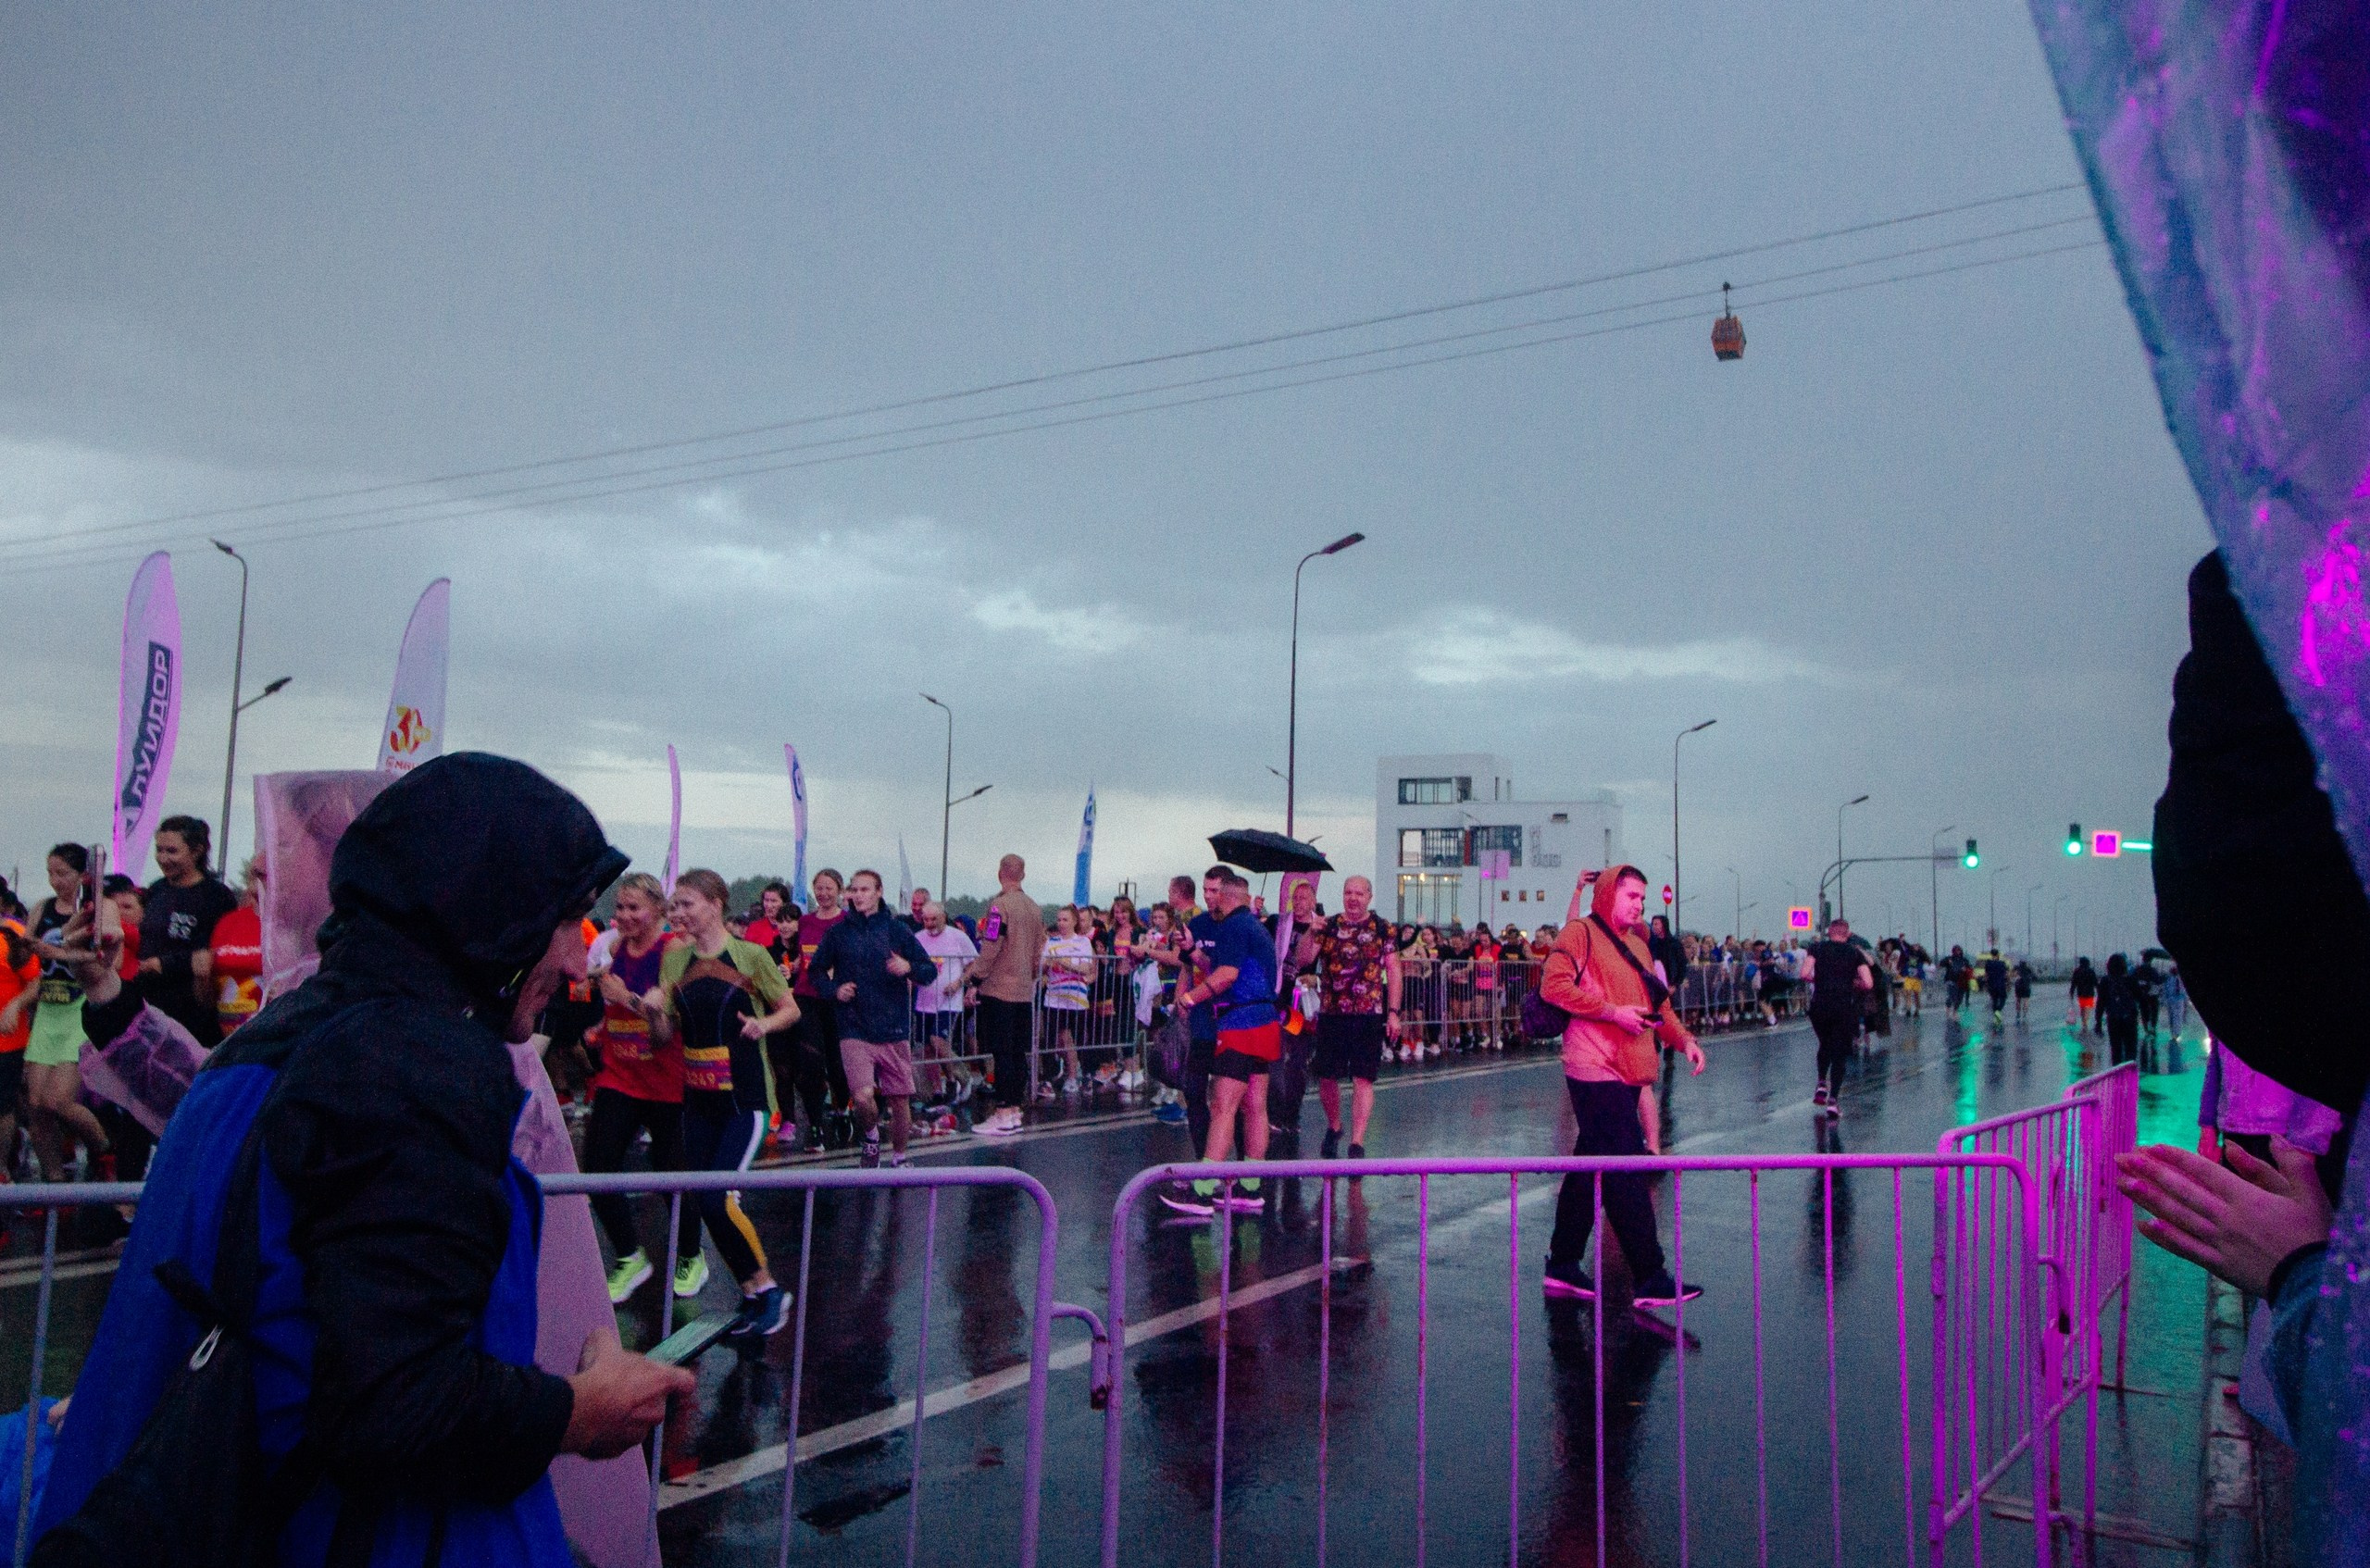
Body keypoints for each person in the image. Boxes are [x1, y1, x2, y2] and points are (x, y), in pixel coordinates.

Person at [33, 752, 693, 1564]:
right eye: (560, 916)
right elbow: (394, 1406)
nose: (572, 957)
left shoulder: (302, 1038)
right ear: (485, 905)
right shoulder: (409, 1068)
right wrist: (581, 1413)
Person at [1537, 866, 1706, 1305]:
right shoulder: (1580, 934)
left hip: (1630, 1067)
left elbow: (1658, 1005)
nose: (1638, 905)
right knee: (1625, 1166)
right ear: (1608, 893)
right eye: (1631, 896)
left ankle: (1562, 1264)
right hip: (1593, 1064)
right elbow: (1553, 986)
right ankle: (1650, 1275)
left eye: (1643, 900)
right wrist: (1612, 1012)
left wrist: (1684, 1039)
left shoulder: (1638, 944)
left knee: (1587, 1168)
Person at [649, 869, 800, 1335]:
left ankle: (772, 1291)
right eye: (674, 906)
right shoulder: (674, 962)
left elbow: (790, 1009)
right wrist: (653, 1010)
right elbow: (662, 1040)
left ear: (716, 903)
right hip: (697, 1101)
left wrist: (762, 1027)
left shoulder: (751, 955)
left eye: (687, 903)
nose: (677, 913)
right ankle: (753, 1293)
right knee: (703, 1198)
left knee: (720, 1199)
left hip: (747, 1099)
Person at [579, 873, 697, 1303]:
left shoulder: (674, 950)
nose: (624, 916)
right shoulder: (611, 947)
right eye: (620, 908)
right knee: (597, 1167)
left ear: (659, 911)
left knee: (672, 1177)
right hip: (620, 1075)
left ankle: (690, 1255)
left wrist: (626, 997)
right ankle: (631, 1257)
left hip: (667, 1079)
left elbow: (665, 1033)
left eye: (634, 908)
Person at [1162, 869, 1279, 1217]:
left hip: (1240, 1022)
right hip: (1265, 1021)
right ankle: (1251, 1186)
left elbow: (1226, 976)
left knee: (1224, 1106)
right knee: (1255, 1106)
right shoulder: (1254, 927)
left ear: (1228, 896)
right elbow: (1222, 965)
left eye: (1216, 894)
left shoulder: (1233, 926)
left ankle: (1202, 1192)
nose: (1210, 900)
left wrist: (1190, 999)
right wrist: (1195, 953)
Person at [812, 868, 938, 1167]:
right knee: (864, 1096)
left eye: (864, 890)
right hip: (853, 1026)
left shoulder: (896, 930)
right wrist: (834, 990)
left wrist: (908, 966)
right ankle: (870, 1136)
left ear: (879, 892)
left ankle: (900, 1157)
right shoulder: (838, 932)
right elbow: (816, 971)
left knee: (898, 1100)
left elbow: (929, 971)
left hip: (893, 1028)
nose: (858, 895)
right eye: (854, 890)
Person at [22, 846, 113, 1184]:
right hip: (48, 1008)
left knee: (59, 1101)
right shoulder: (42, 908)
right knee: (35, 1104)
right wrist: (21, 948)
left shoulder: (92, 910)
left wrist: (58, 950)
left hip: (78, 1008)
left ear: (81, 876)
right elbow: (28, 954)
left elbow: (101, 958)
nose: (55, 881)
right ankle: (54, 1180)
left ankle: (102, 1146)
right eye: (50, 873)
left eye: (62, 874)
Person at [1297, 873, 1400, 1159]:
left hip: (1368, 1013)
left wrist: (1394, 1013)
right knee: (1327, 1077)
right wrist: (1310, 931)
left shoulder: (1382, 928)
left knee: (1362, 1078)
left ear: (1369, 897)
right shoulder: (1328, 925)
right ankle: (1334, 1126)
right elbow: (1304, 959)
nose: (1353, 898)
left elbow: (1394, 970)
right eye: (1348, 893)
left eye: (1359, 893)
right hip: (1332, 1012)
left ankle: (1357, 1140)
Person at [136, 815, 240, 1050]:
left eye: (172, 851)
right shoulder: (156, 890)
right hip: (150, 1003)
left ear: (196, 851)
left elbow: (213, 952)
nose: (163, 858)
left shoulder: (216, 896)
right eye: (159, 850)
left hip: (192, 1008)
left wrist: (165, 964)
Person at [966, 854, 1045, 1137]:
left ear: (1000, 873)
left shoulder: (1000, 906)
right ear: (1022, 874)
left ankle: (1001, 1112)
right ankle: (1013, 1110)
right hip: (1024, 990)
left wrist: (974, 978)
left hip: (999, 989)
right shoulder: (1035, 908)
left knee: (1001, 1054)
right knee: (1017, 1052)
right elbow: (1039, 950)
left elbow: (991, 946)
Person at [786, 869, 848, 1152]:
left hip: (835, 998)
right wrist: (792, 967)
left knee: (836, 1064)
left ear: (839, 890)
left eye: (829, 888)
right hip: (806, 997)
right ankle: (814, 1126)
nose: (823, 894)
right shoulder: (806, 921)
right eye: (819, 888)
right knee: (810, 1063)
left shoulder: (846, 921)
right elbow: (802, 955)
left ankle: (842, 1109)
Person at [1800, 916, 1873, 1116]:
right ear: (1847, 934)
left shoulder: (1816, 948)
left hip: (1819, 1006)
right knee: (1839, 1052)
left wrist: (1820, 979)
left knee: (1825, 1044)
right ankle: (1833, 1101)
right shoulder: (1854, 953)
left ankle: (1822, 1082)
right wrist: (1852, 983)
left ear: (1829, 932)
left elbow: (1804, 973)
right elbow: (1868, 983)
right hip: (1843, 1006)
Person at [912, 900, 978, 1108]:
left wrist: (960, 983)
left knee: (938, 1040)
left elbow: (973, 964)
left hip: (949, 1001)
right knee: (928, 1048)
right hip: (924, 1000)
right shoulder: (918, 938)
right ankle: (938, 1089)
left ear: (943, 917)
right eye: (926, 920)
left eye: (934, 919)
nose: (929, 924)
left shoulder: (958, 937)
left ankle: (963, 1076)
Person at [201, 860, 266, 1039]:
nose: (258, 880)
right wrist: (202, 976)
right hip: (227, 1038)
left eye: (264, 875)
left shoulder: (287, 926)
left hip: (268, 1035)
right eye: (255, 874)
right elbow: (207, 998)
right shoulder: (229, 922)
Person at [1038, 905, 1094, 1097]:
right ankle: (1047, 1079)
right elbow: (1043, 967)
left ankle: (1077, 1076)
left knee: (1077, 1039)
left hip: (1076, 998)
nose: (1061, 923)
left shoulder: (1083, 942)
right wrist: (1045, 965)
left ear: (1074, 922)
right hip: (1054, 998)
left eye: (1065, 920)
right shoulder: (1051, 942)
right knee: (1051, 1040)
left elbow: (1086, 968)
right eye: (1059, 920)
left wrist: (1063, 962)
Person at [2098, 953, 2139, 1066]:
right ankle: (2130, 1078)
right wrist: (2146, 1020)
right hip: (2130, 1020)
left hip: (2113, 1020)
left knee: (2116, 1051)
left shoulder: (2105, 981)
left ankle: (2118, 1078)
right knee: (2131, 1051)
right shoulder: (2131, 980)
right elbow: (2142, 1000)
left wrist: (2098, 1023)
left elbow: (2100, 1003)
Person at [2069, 956, 2100, 1031]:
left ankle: (2084, 1023)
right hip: (2090, 994)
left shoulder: (2077, 971)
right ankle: (2085, 1023)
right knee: (2087, 1009)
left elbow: (2074, 983)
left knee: (2082, 1008)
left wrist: (2071, 992)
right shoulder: (2091, 971)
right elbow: (2096, 983)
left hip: (2081, 993)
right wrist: (2099, 992)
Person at [1979, 947, 2009, 1023]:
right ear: (1998, 954)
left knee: (1994, 1000)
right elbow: (2006, 975)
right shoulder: (2002, 963)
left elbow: (1986, 975)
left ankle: (1996, 1013)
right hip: (2001, 984)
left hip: (1991, 985)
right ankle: (1999, 1010)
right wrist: (2007, 983)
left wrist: (1985, 984)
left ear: (1991, 954)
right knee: (2003, 998)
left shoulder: (1988, 963)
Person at [2011, 958, 2035, 1023]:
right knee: (2026, 1000)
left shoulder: (2017, 968)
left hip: (2018, 987)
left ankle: (2018, 1013)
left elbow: (2013, 975)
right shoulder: (2029, 969)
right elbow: (2033, 976)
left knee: (2018, 1000)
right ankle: (2024, 1014)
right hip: (2026, 987)